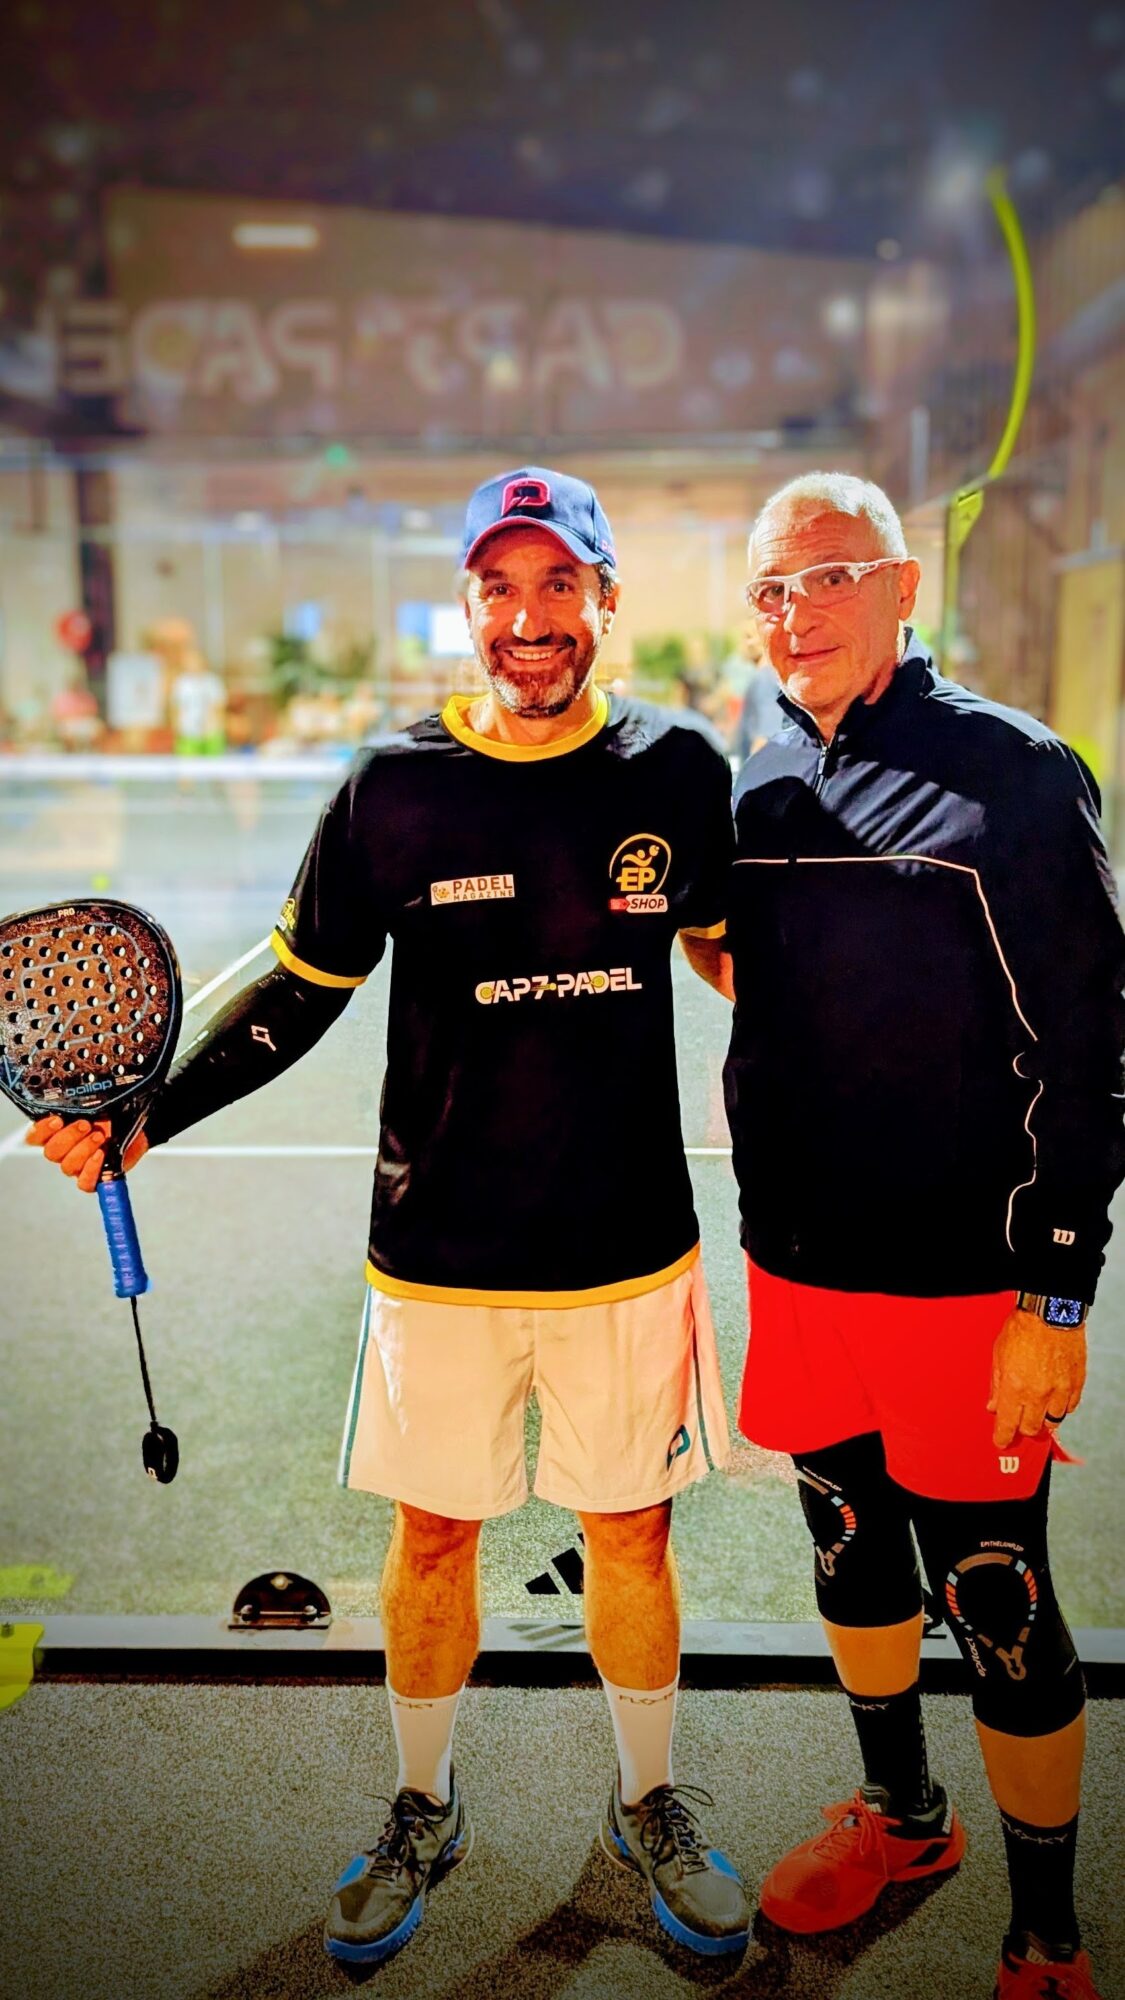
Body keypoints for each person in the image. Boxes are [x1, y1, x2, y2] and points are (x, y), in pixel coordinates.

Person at [28, 467, 750, 1970]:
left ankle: (649, 1801)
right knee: (432, 1539)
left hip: (629, 1248)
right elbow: (296, 994)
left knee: (632, 1535)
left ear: (605, 600)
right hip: (439, 1258)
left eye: (559, 585)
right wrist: (150, 1116)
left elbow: (739, 952)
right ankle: (424, 1801)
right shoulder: (389, 789)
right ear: (468, 608)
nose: (530, 619)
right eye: (500, 588)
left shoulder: (681, 772)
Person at [688, 472, 1124, 2000]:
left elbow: (1094, 1047)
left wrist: (1052, 1298)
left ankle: (1046, 1933)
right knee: (849, 1554)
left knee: (994, 1594)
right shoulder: (756, 781)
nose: (791, 613)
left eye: (824, 576)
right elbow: (757, 966)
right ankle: (901, 1819)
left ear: (898, 585)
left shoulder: (1014, 772)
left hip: (963, 1288)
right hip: (800, 1269)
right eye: (769, 588)